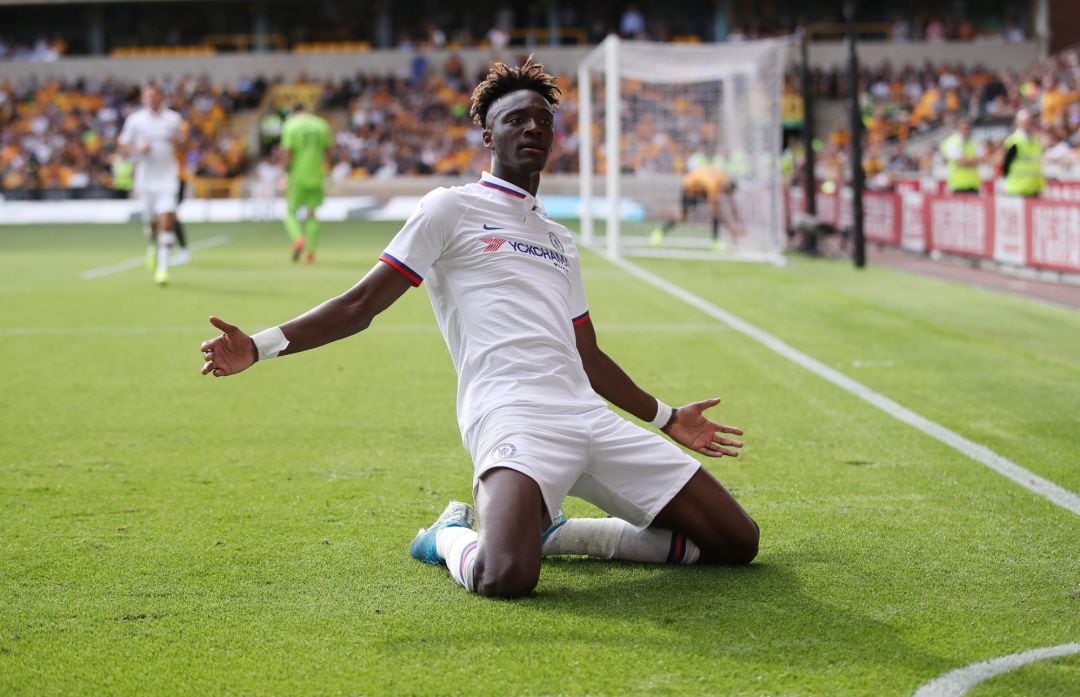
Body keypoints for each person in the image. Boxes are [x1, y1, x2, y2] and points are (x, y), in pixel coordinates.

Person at [199, 57, 758, 599]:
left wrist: (665, 417)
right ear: (488, 137)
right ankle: (447, 535)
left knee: (736, 542)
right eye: (516, 119)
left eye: (543, 120)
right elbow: (360, 304)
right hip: (512, 412)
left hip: (587, 417)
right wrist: (260, 347)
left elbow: (588, 356)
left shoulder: (559, 239)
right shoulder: (450, 208)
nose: (533, 127)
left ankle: (561, 535)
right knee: (504, 575)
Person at [117, 82, 187, 286]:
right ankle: (151, 245)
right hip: (146, 179)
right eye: (148, 96)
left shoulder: (173, 119)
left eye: (155, 96)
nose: (152, 99)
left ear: (161, 97)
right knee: (151, 223)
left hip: (168, 178)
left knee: (167, 220)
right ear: (143, 98)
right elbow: (121, 148)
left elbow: (184, 144)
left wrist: (178, 141)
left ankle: (163, 269)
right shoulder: (135, 120)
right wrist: (138, 149)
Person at [649, 151, 744, 250]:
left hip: (701, 188)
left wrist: (739, 224)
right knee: (683, 216)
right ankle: (659, 232)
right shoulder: (713, 184)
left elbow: (732, 202)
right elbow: (716, 210)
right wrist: (731, 231)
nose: (724, 194)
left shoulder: (724, 178)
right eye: (725, 192)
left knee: (716, 209)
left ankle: (715, 242)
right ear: (725, 188)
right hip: (690, 190)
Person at [280, 103, 332, 263]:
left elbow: (288, 152)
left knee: (290, 212)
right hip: (317, 175)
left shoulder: (291, 125)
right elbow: (328, 152)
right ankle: (311, 252)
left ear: (295, 113)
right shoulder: (322, 124)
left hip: (298, 175)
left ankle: (298, 239)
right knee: (312, 214)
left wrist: (284, 173)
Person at [1001, 109, 1045, 198]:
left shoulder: (1035, 141)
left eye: (1030, 121)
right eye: (1026, 122)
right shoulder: (1014, 142)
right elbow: (1005, 165)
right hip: (1017, 190)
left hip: (1034, 189)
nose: (1028, 124)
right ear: (1018, 123)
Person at [939, 117, 982, 194]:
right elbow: (961, 162)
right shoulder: (951, 142)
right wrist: (974, 161)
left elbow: (983, 158)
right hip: (957, 185)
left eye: (968, 128)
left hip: (973, 184)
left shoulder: (973, 141)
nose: (966, 131)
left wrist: (969, 161)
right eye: (964, 128)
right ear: (957, 128)